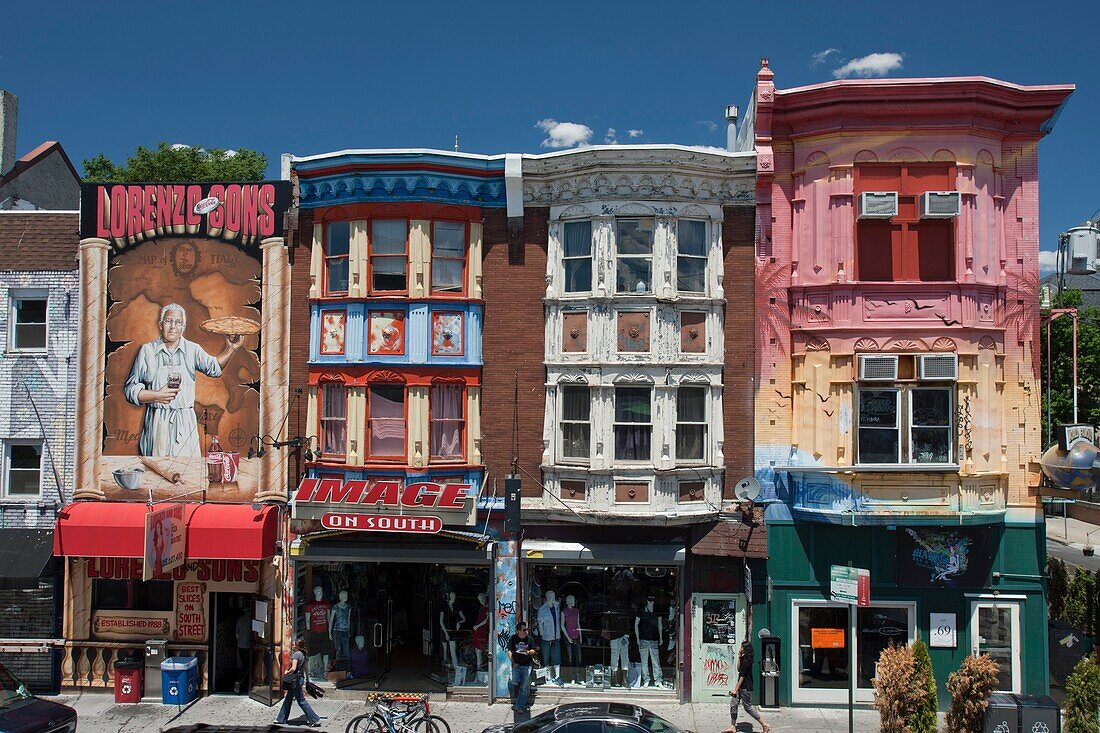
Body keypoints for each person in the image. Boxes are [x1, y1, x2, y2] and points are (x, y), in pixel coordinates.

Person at [124, 303, 243, 457]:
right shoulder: (147, 351)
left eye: (178, 322)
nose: (173, 326)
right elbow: (130, 390)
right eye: (168, 321)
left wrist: (231, 349)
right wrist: (156, 395)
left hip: (185, 422)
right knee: (155, 472)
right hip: (156, 423)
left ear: (183, 326)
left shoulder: (192, 349)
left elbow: (214, 368)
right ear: (161, 324)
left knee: (187, 474)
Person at [724, 641, 769, 733]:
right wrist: (739, 657)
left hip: (745, 687)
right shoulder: (743, 658)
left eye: (741, 647)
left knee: (747, 707)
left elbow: (742, 676)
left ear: (745, 649)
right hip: (741, 686)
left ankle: (764, 724)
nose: (740, 649)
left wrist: (735, 690)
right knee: (733, 704)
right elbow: (738, 669)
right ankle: (733, 726)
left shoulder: (747, 660)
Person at [274, 639, 321, 728]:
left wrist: (287, 672)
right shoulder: (303, 654)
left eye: (294, 644)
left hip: (294, 680)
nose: (292, 645)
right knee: (288, 699)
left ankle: (313, 718)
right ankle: (281, 718)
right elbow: (306, 668)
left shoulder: (296, 655)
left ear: (297, 646)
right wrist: (307, 679)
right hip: (300, 679)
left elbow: (294, 667)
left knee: (301, 701)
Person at [507, 621, 537, 713]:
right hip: (516, 664)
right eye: (524, 630)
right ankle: (527, 681)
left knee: (523, 687)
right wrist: (513, 662)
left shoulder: (530, 639)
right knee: (515, 681)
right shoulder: (513, 638)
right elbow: (509, 651)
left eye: (527, 629)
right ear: (518, 631)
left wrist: (528, 652)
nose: (526, 631)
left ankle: (520, 706)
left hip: (527, 665)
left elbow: (534, 650)